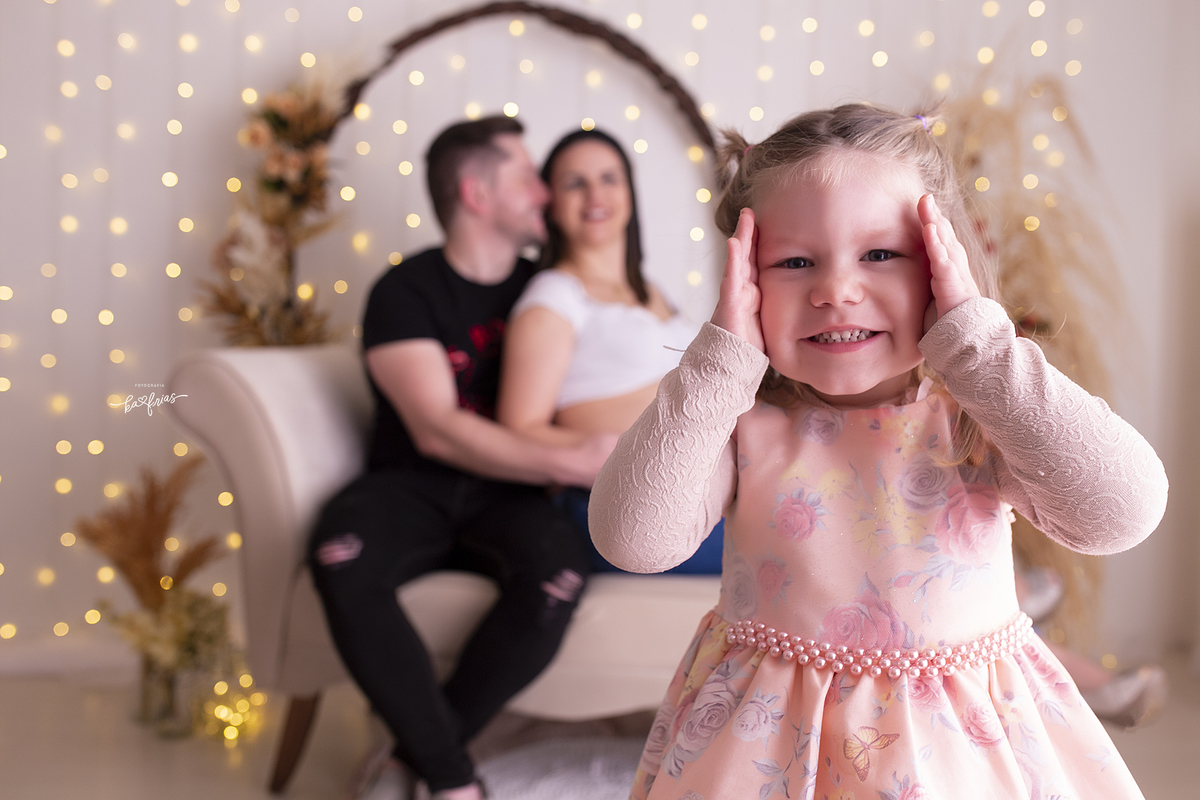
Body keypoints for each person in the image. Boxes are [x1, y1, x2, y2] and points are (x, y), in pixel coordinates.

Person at [589, 104, 1168, 799]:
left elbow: (1123, 512)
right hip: (764, 751)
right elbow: (632, 540)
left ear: (941, 264)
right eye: (794, 262)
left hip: (962, 755)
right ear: (744, 283)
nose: (836, 290)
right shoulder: (739, 421)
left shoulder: (979, 411)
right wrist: (721, 364)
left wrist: (978, 350)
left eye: (881, 254)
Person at [308, 116, 616, 800]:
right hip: (410, 486)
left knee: (558, 576)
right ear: (477, 194)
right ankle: (453, 781)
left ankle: (408, 758)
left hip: (507, 500)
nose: (544, 192)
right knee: (339, 554)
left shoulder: (549, 292)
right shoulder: (405, 292)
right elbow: (438, 431)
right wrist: (575, 462)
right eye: (526, 176)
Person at [496, 128, 721, 573]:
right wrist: (610, 449)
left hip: (690, 489)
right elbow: (518, 428)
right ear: (552, 205)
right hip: (620, 501)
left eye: (608, 178)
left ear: (629, 193)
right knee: (780, 549)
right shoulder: (554, 298)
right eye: (574, 183)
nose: (595, 193)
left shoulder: (651, 293)